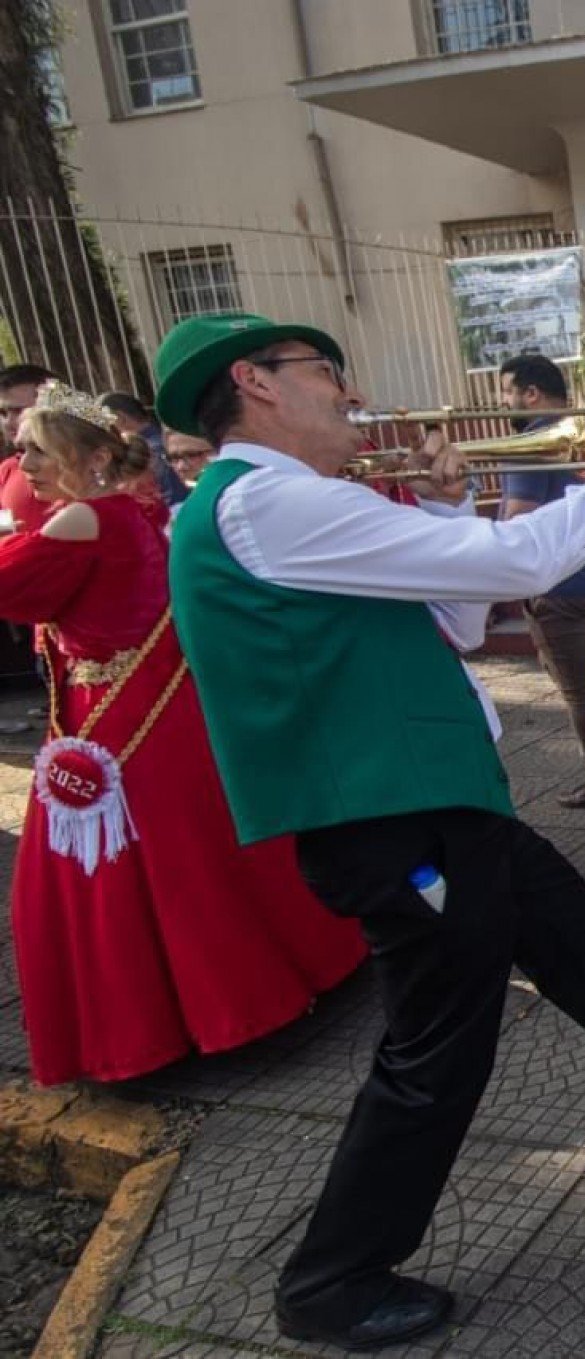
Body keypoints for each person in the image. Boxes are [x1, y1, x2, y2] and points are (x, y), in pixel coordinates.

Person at [154, 311, 585, 1352]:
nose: (349, 392)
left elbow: (458, 620)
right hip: (386, 815)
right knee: (438, 1048)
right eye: (325, 371)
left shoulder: (294, 502)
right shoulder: (262, 499)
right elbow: (512, 566)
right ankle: (330, 1280)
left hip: (431, 797)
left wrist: (450, 499)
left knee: (558, 913)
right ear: (257, 383)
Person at [0, 381, 364, 1087]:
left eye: (35, 450)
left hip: (115, 721)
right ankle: (262, 984)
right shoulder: (130, 509)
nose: (24, 465)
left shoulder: (78, 520)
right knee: (196, 861)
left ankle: (157, 1025)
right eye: (20, 452)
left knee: (134, 871)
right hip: (154, 709)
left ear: (86, 456)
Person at [496, 354, 585, 808]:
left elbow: (518, 522)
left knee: (577, 691)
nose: (503, 403)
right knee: (584, 682)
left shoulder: (532, 443)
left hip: (555, 588)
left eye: (506, 392)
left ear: (530, 394)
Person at [1, 363, 61, 536]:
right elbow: (5, 528)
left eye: (20, 411)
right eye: (3, 413)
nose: (8, 422)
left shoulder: (88, 464)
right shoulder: (7, 469)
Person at [101, 390, 186, 507]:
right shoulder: (163, 442)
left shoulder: (151, 452)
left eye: (103, 424)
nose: (102, 433)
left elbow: (173, 500)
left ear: (119, 418)